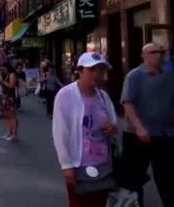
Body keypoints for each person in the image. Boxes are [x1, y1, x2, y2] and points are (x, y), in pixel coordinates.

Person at [52, 52, 118, 207]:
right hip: (78, 165)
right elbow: (60, 132)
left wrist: (112, 128)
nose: (97, 74)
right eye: (91, 70)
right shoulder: (65, 95)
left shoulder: (103, 96)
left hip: (103, 164)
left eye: (101, 70)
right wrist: (66, 165)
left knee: (100, 202)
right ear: (80, 71)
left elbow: (114, 123)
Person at [119, 43, 174, 207]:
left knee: (168, 178)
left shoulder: (169, 75)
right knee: (133, 178)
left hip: (165, 134)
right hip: (137, 136)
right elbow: (127, 103)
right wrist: (139, 126)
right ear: (143, 55)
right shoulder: (134, 76)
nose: (158, 55)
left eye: (161, 52)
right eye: (153, 52)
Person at [0, 64, 19, 141]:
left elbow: (11, 86)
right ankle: (9, 133)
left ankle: (14, 134)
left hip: (10, 98)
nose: (2, 70)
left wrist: (2, 81)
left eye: (3, 68)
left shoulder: (12, 74)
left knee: (12, 116)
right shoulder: (5, 75)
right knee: (7, 116)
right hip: (5, 97)